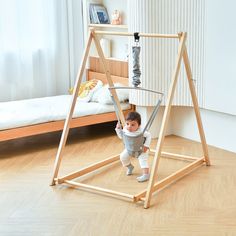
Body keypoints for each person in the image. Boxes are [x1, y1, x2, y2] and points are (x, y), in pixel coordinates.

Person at [115, 111, 151, 182]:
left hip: (141, 150)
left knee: (143, 162)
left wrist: (146, 146)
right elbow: (121, 137)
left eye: (133, 125)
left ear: (139, 125)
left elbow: (149, 136)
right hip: (129, 149)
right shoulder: (125, 130)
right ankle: (130, 167)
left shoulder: (142, 132)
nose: (129, 127)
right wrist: (118, 129)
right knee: (122, 157)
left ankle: (146, 175)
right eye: (127, 124)